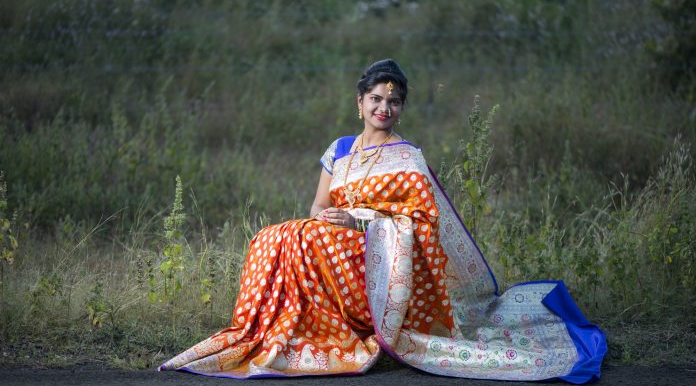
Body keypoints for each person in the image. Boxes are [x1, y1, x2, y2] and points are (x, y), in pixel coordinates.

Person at [159, 59, 606, 383]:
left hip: (377, 259)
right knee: (275, 235)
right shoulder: (338, 149)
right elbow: (316, 206)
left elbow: (420, 225)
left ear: (401, 108)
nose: (383, 108)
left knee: (303, 239)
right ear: (360, 103)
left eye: (393, 101)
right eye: (376, 99)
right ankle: (267, 330)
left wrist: (360, 223)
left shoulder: (408, 158)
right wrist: (331, 219)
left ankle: (319, 327)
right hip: (332, 239)